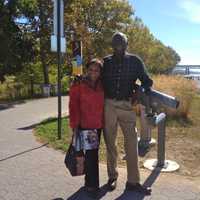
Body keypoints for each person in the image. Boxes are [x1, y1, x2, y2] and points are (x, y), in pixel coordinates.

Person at [102, 32, 153, 195]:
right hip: (108, 105)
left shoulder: (135, 61)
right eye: (115, 45)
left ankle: (133, 182)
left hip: (127, 105)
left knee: (131, 143)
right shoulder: (106, 62)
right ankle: (112, 176)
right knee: (110, 142)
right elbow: (96, 80)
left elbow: (147, 81)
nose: (118, 47)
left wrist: (140, 90)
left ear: (126, 44)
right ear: (112, 46)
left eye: (121, 44)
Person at [69, 59, 104, 198]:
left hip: (98, 125)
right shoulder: (79, 84)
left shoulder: (103, 85)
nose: (93, 73)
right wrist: (75, 125)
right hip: (86, 125)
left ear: (100, 72)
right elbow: (73, 105)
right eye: (91, 69)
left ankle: (89, 184)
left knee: (91, 155)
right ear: (87, 70)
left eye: (96, 70)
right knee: (90, 156)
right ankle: (92, 186)